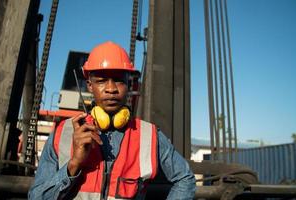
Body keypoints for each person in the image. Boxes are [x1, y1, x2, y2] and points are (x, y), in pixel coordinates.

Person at [28, 41, 196, 199]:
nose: (111, 89)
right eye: (101, 81)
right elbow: (36, 197)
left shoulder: (149, 136)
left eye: (118, 81)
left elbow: (185, 179)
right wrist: (73, 165)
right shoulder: (62, 134)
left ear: (128, 85)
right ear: (89, 85)